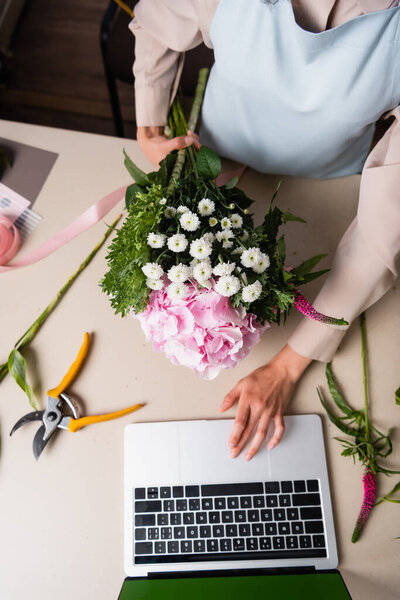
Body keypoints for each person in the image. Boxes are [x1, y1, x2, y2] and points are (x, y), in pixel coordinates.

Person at [129, 0, 400, 460]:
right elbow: (158, 17)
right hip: (215, 167)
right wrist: (149, 127)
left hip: (334, 198)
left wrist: (289, 365)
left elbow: (385, 228)